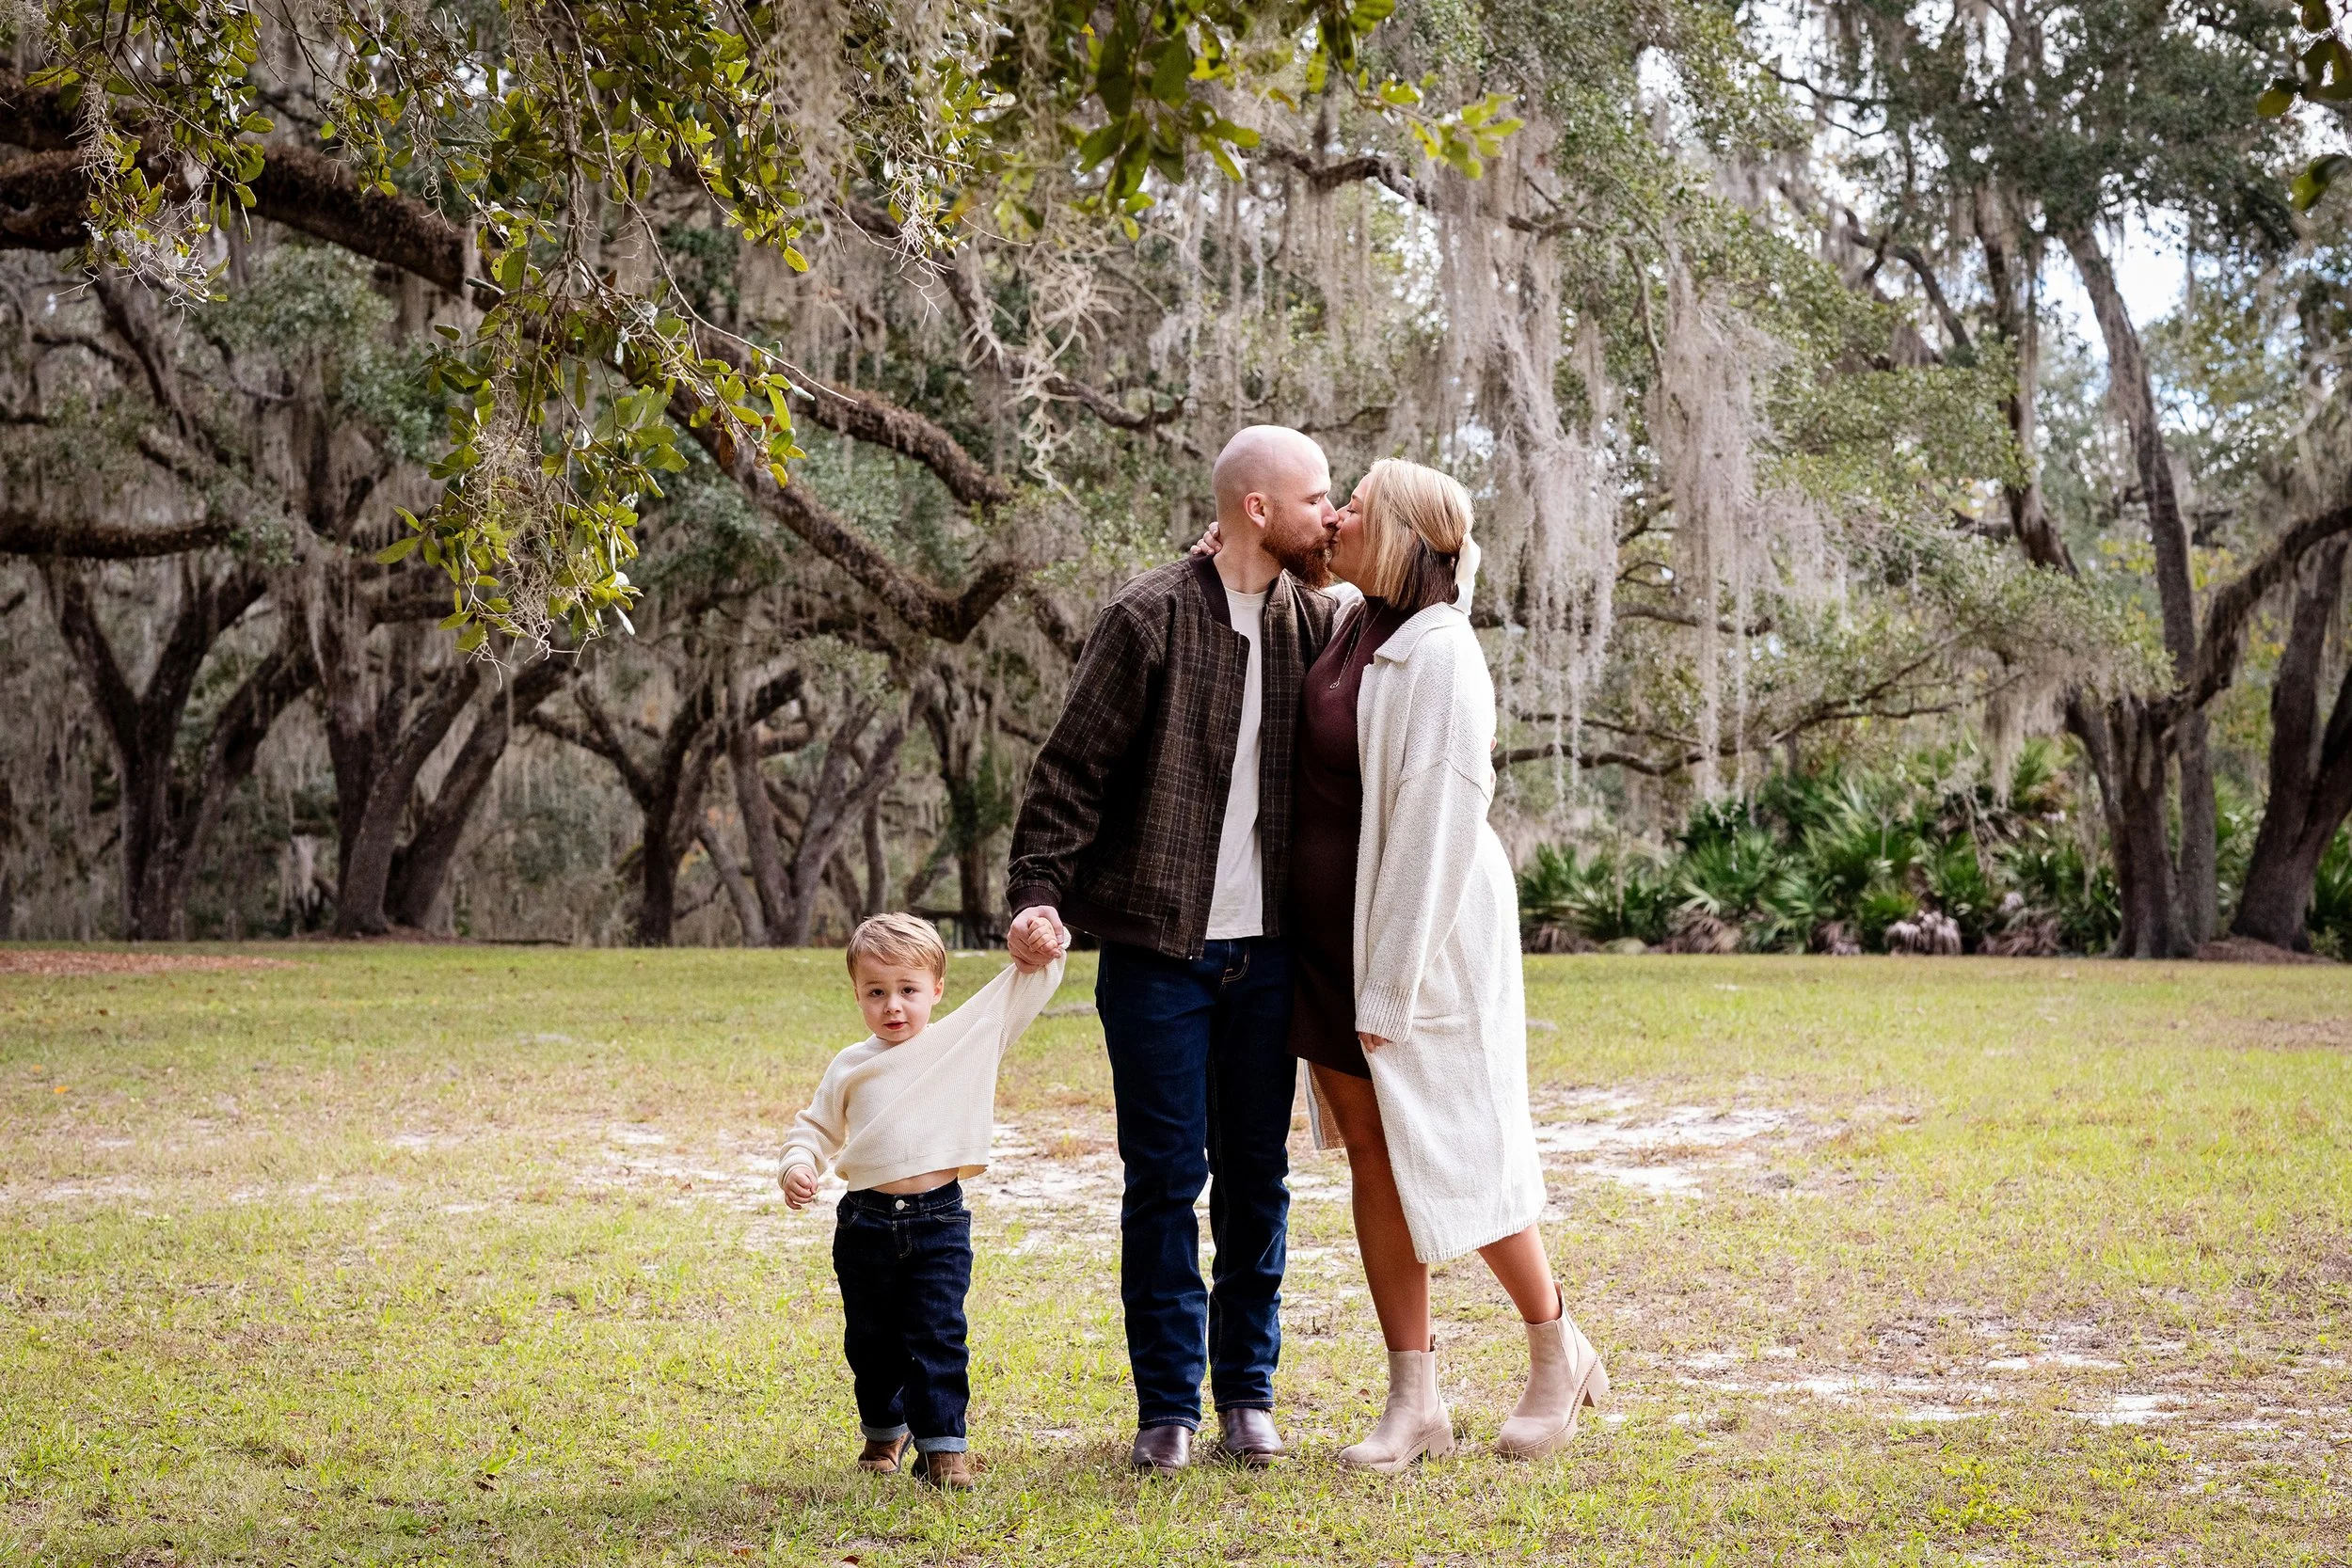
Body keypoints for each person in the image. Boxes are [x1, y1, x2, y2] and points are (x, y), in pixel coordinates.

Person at [1002, 425, 1339, 1473]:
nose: (1332, 514)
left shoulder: (1321, 625)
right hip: (1155, 953)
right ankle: (1166, 1405)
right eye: (1317, 496)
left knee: (1259, 1176)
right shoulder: (1147, 617)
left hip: (1270, 953)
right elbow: (1066, 775)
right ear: (1255, 508)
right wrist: (1036, 895)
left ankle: (1246, 1391)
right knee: (1162, 1179)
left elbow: (1431, 591)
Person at [1292, 458, 1608, 1472]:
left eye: (1352, 505)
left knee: (1460, 1151)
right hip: (1328, 941)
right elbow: (1288, 577)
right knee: (1376, 1160)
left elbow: (1432, 829)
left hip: (1414, 948)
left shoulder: (1441, 658)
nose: (1333, 514)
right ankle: (1413, 1398)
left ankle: (1557, 1347)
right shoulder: (1355, 620)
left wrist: (1390, 981)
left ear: (1392, 533)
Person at [779, 912, 1067, 1491]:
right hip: (865, 1224)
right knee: (871, 1342)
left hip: (938, 1221)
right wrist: (798, 1164)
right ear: (857, 994)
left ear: (936, 990)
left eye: (909, 991)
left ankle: (943, 1448)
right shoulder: (851, 1065)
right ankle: (886, 1428)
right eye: (877, 992)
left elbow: (1027, 984)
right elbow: (814, 1128)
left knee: (937, 1333)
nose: (894, 1006)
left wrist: (1041, 945)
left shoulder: (962, 1040)